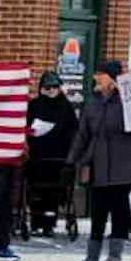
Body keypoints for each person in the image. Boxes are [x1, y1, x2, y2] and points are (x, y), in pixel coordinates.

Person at [66, 60, 131, 261]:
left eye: (100, 75)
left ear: (112, 79)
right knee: (98, 211)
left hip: (124, 165)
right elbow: (82, 134)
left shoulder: (129, 100)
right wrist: (71, 160)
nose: (95, 78)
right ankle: (92, 257)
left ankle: (115, 256)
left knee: (120, 211)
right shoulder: (92, 103)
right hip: (99, 164)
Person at [25, 71, 78, 237]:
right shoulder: (34, 106)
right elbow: (26, 126)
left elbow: (73, 129)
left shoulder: (65, 106)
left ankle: (49, 222)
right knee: (36, 188)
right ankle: (35, 220)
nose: (51, 91)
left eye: (55, 87)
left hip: (58, 154)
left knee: (55, 189)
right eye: (48, 87)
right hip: (38, 154)